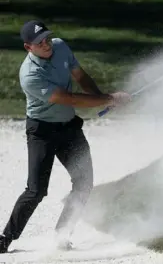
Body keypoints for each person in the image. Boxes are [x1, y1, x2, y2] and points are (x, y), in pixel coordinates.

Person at [0, 20, 131, 253]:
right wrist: (110, 99)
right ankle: (5, 237)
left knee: (84, 182)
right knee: (36, 190)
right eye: (40, 42)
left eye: (48, 38)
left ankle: (63, 234)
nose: (46, 44)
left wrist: (102, 97)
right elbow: (68, 98)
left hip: (69, 128)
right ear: (28, 47)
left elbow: (80, 76)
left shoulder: (60, 47)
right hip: (42, 132)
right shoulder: (30, 75)